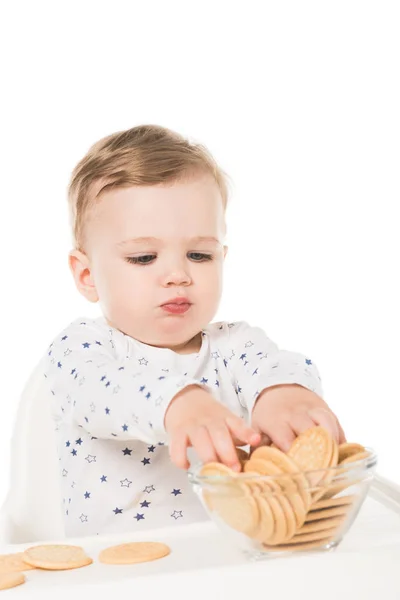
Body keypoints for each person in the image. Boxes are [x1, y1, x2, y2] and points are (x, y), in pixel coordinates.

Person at [44, 124, 345, 537]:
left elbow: (275, 366)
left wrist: (283, 392)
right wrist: (178, 403)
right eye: (144, 257)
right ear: (86, 274)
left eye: (199, 254)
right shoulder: (81, 349)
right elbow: (101, 390)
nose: (177, 274)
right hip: (117, 574)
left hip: (230, 560)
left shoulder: (234, 344)